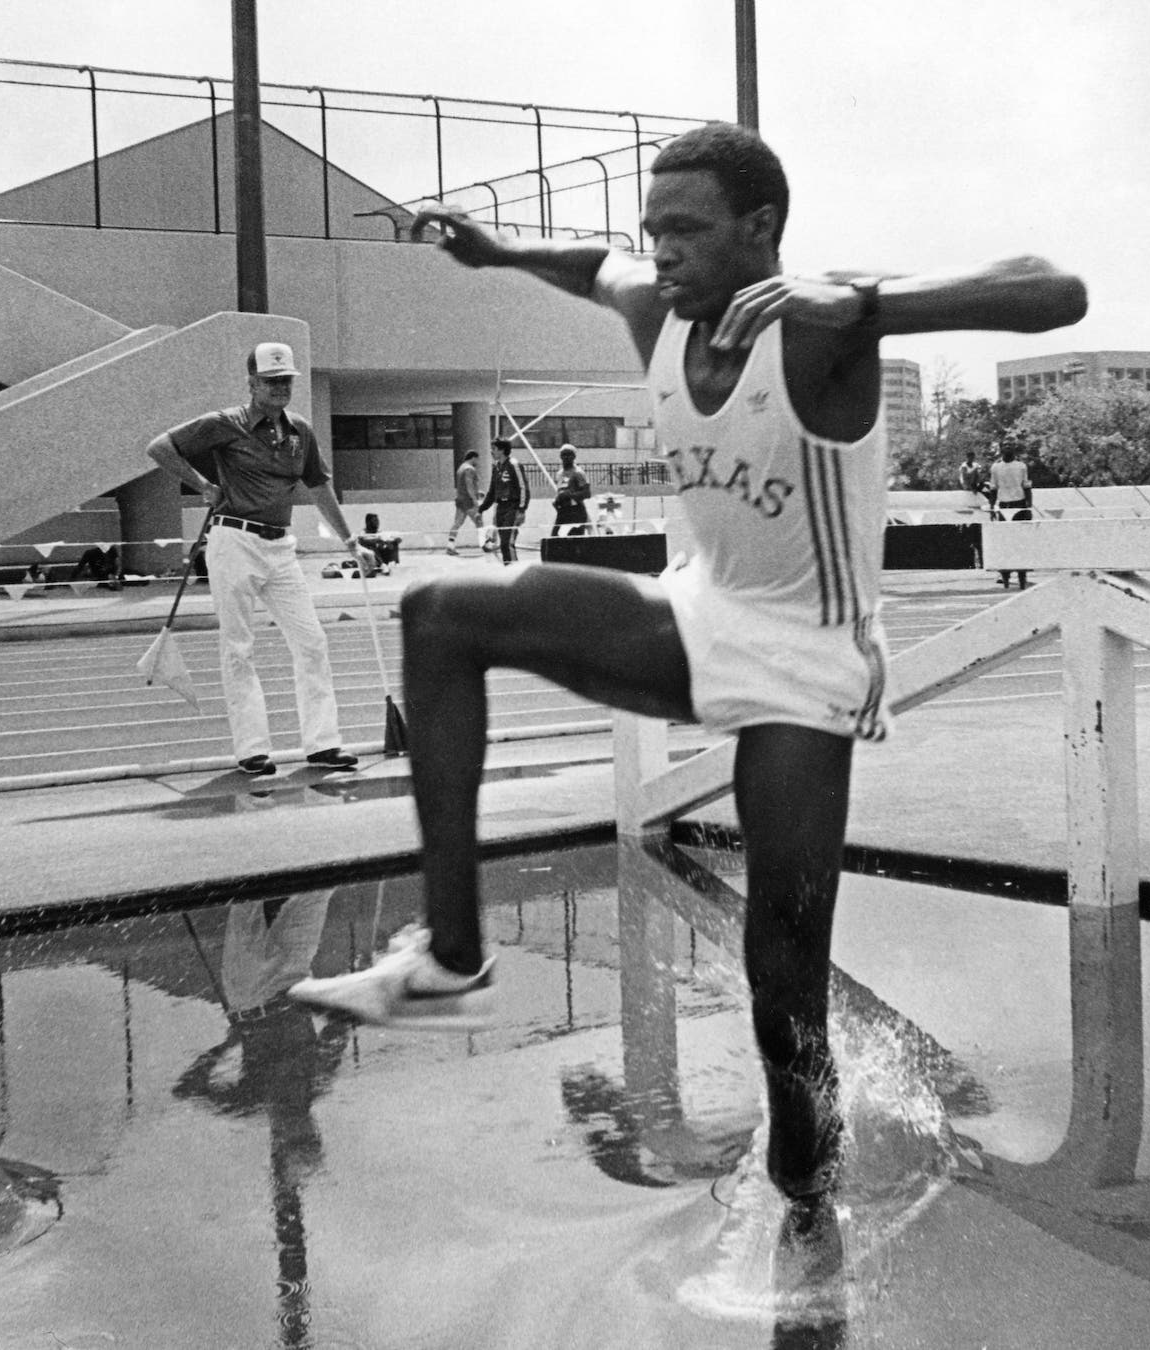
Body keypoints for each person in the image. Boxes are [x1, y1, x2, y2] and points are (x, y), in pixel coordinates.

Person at [289, 122, 1086, 1208]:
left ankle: (807, 1182)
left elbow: (1054, 289)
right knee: (438, 613)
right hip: (702, 611)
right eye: (652, 229)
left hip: (808, 660)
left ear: (760, 229)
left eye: (688, 231)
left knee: (782, 991)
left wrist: (858, 304)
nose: (660, 252)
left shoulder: (823, 329)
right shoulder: (654, 307)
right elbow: (588, 264)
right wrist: (493, 248)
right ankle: (451, 961)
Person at [145, 342, 374, 777]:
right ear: (252, 384)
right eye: (271, 381)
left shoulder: (300, 431)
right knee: (238, 647)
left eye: (286, 379)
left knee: (312, 641)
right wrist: (200, 484)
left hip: (280, 547)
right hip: (234, 541)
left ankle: (323, 745)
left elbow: (320, 487)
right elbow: (159, 447)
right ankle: (252, 750)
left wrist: (350, 543)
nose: (280, 387)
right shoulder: (222, 424)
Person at [479, 437, 531, 564]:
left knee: (507, 543)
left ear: (502, 450)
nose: (491, 452)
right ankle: (509, 571)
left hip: (512, 508)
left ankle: (515, 574)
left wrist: (521, 509)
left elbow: (523, 488)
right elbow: (492, 492)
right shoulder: (496, 467)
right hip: (500, 509)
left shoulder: (514, 465)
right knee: (503, 545)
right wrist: (481, 509)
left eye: (494, 449)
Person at [988, 444, 1032, 590]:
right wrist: (992, 508)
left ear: (1014, 450)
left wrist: (1029, 507)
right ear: (1001, 451)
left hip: (1019, 505)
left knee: (1021, 541)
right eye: (1005, 447)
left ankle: (1022, 577)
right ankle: (1005, 577)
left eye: (1010, 447)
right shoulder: (995, 467)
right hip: (1004, 506)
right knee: (1005, 542)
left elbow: (1026, 486)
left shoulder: (1021, 466)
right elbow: (993, 488)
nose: (1007, 449)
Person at [448, 449, 485, 555]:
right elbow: (469, 486)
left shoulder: (461, 468)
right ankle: (485, 545)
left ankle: (450, 545)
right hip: (468, 501)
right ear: (473, 458)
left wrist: (477, 493)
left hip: (460, 500)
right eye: (477, 460)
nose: (477, 462)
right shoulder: (469, 469)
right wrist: (475, 500)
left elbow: (464, 486)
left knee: (457, 523)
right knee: (479, 522)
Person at [551, 444, 594, 536]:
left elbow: (587, 493)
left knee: (575, 540)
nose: (566, 457)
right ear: (560, 456)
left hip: (576, 511)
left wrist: (570, 495)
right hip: (563, 511)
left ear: (574, 456)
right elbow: (560, 491)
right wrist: (557, 500)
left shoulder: (578, 473)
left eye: (569, 454)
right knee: (554, 539)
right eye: (564, 454)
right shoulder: (559, 474)